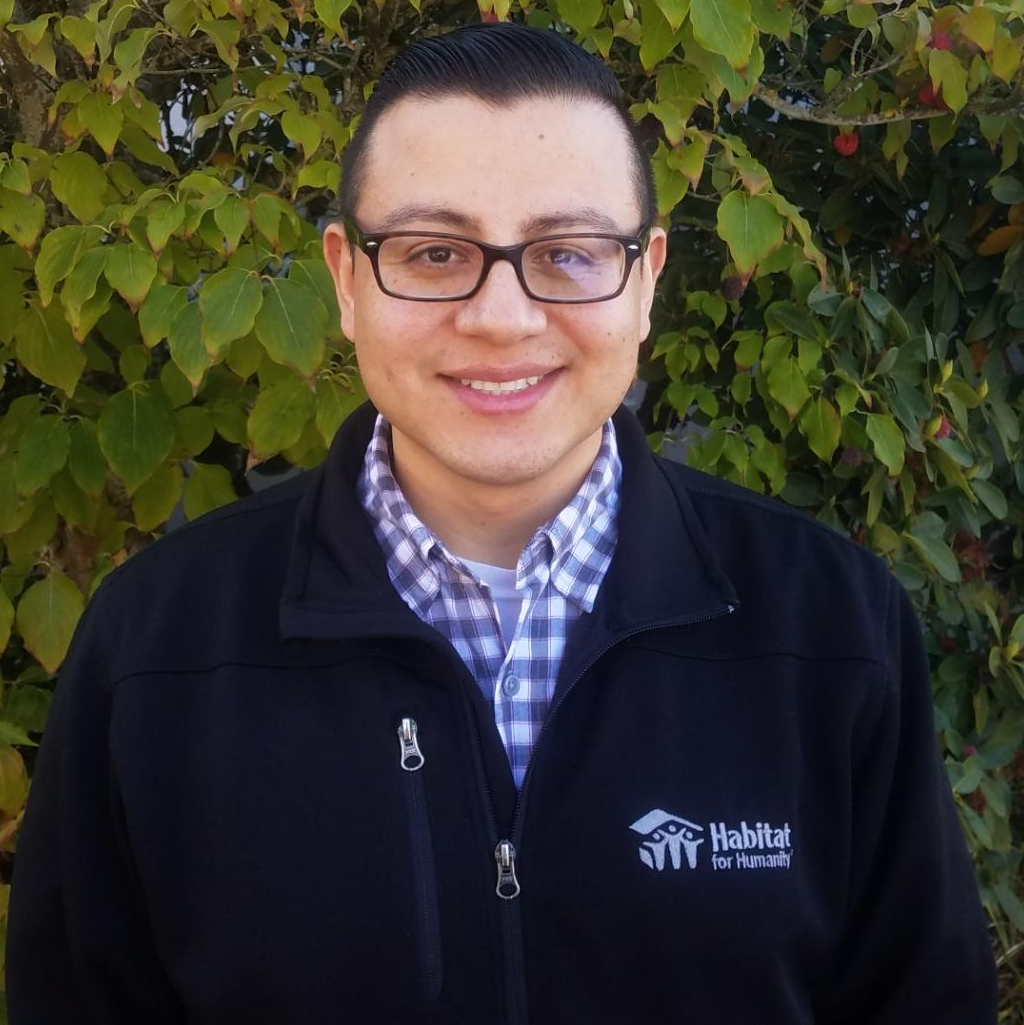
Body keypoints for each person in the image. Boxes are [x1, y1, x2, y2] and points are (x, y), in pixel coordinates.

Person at [7, 21, 997, 1025]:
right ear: (346, 280)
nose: (502, 316)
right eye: (435, 252)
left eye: (567, 253)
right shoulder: (155, 648)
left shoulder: (832, 626)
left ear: (645, 281)